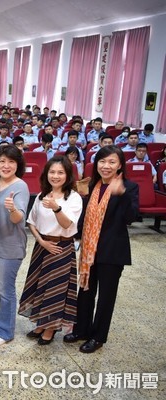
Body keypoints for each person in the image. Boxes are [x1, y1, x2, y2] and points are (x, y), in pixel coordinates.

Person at [64, 145, 139, 353]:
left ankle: (98, 336)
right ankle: (82, 330)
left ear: (120, 165)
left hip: (111, 251)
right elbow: (84, 218)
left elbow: (131, 218)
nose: (106, 166)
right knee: (86, 291)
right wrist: (82, 198)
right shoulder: (93, 185)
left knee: (106, 297)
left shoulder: (128, 187)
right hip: (90, 248)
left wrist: (122, 194)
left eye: (112, 162)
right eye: (102, 161)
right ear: (96, 164)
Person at [18, 156, 83, 345]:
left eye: (60, 172)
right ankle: (40, 324)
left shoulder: (73, 198)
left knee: (56, 290)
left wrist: (56, 208)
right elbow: (31, 223)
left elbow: (66, 224)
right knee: (40, 287)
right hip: (42, 247)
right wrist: (41, 242)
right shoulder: (41, 195)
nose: (55, 176)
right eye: (52, 172)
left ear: (68, 175)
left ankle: (50, 328)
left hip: (61, 247)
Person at [0, 145, 30, 346]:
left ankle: (5, 331)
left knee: (6, 288)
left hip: (11, 245)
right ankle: (2, 317)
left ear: (18, 165)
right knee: (0, 284)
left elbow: (19, 218)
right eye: (2, 161)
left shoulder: (20, 186)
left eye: (11, 161)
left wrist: (12, 210)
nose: (6, 165)